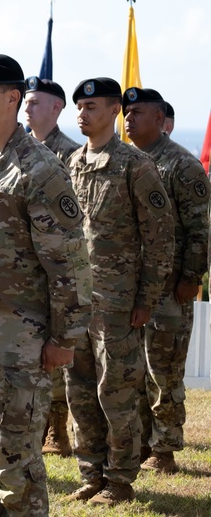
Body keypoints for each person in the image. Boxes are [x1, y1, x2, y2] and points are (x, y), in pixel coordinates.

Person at [0, 54, 92, 516]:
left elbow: (69, 261)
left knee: (15, 466)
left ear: (12, 99)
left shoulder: (38, 169)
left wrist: (64, 338)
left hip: (17, 345)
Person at [63, 79, 174, 505]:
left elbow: (160, 236)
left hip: (119, 302)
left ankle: (120, 479)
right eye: (79, 107)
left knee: (118, 391)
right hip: (77, 302)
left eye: (91, 106)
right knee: (80, 389)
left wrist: (147, 298)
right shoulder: (71, 163)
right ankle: (91, 472)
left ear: (113, 111)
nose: (82, 113)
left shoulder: (135, 165)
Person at [123, 88, 210, 474]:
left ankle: (165, 450)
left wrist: (191, 277)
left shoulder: (182, 166)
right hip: (131, 287)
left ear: (160, 120)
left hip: (170, 288)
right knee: (135, 369)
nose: (128, 119)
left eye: (137, 113)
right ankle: (141, 443)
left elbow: (200, 229)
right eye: (126, 112)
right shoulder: (126, 161)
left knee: (164, 370)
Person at [22, 75, 79, 458]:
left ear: (56, 108)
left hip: (56, 269)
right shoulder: (16, 150)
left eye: (36, 102)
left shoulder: (71, 155)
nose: (28, 108)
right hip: (22, 271)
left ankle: (58, 429)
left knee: (57, 354)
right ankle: (31, 428)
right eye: (25, 101)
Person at [23, 76, 79, 163]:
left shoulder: (73, 154)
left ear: (56, 107)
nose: (26, 109)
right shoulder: (17, 147)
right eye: (26, 103)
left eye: (34, 103)